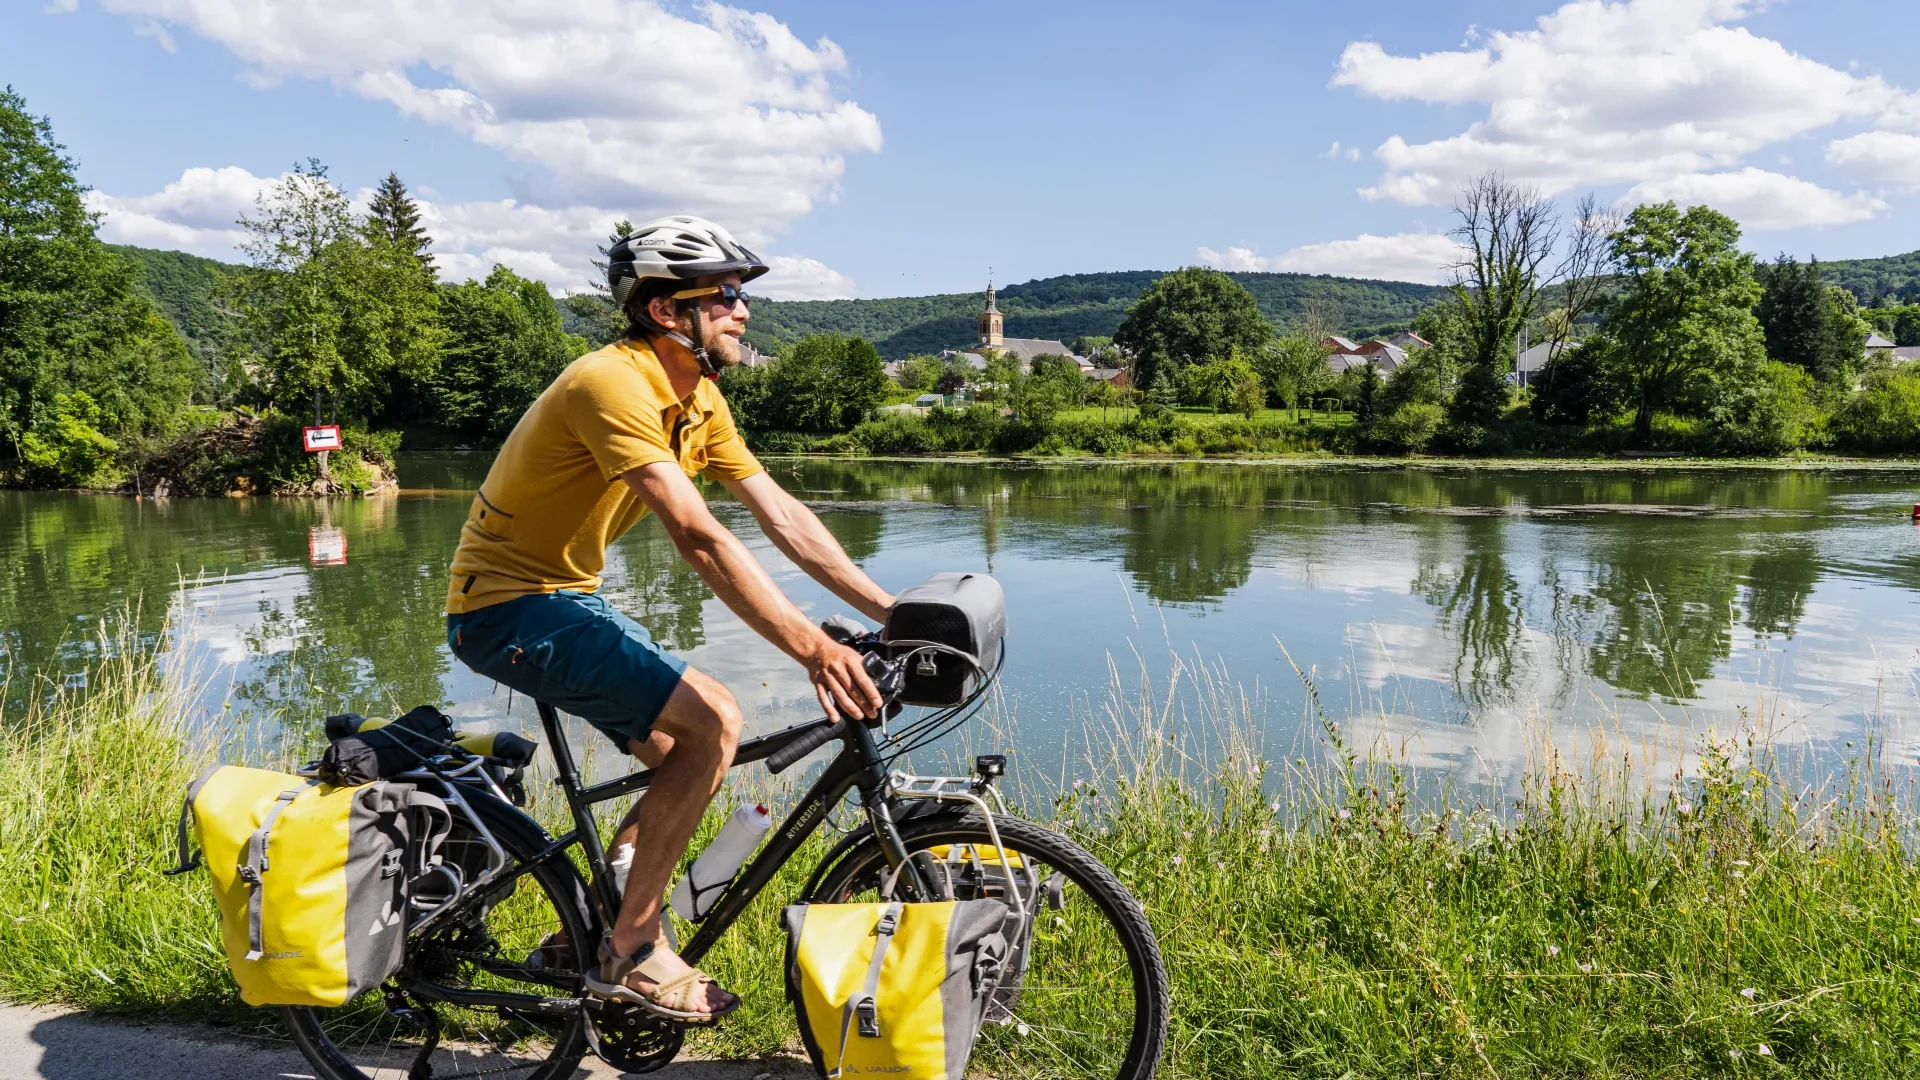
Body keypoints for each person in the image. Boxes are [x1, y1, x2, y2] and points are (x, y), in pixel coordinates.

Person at [443, 215, 893, 1022]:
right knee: (714, 720)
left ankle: (584, 933)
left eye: (741, 296)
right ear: (665, 312)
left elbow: (781, 515)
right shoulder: (609, 383)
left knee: (692, 751)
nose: (742, 311)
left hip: (564, 596)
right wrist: (813, 648)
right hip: (503, 607)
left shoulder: (698, 399)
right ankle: (634, 949)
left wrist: (894, 611)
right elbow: (698, 535)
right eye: (723, 296)